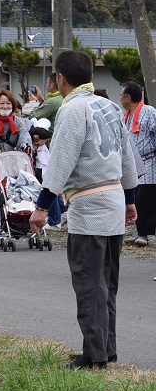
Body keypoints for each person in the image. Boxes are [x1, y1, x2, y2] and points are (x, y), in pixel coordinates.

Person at [30, 50, 138, 369]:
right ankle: (105, 348)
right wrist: (130, 200)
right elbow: (127, 159)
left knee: (89, 284)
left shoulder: (73, 108)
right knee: (106, 284)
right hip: (115, 199)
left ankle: (94, 358)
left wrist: (41, 207)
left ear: (60, 79)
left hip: (89, 207)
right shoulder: (110, 106)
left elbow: (61, 160)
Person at [0, 89, 32, 246]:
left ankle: (14, 227)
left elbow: (24, 136)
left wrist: (26, 145)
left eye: (8, 103)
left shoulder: (18, 121)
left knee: (12, 197)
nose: (5, 106)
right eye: (2, 103)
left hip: (12, 164)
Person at [121, 81, 155, 247]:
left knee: (144, 199)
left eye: (121, 95)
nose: (120, 98)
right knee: (134, 198)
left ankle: (145, 235)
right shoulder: (126, 115)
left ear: (128, 97)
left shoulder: (149, 111)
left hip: (149, 162)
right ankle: (140, 232)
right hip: (133, 164)